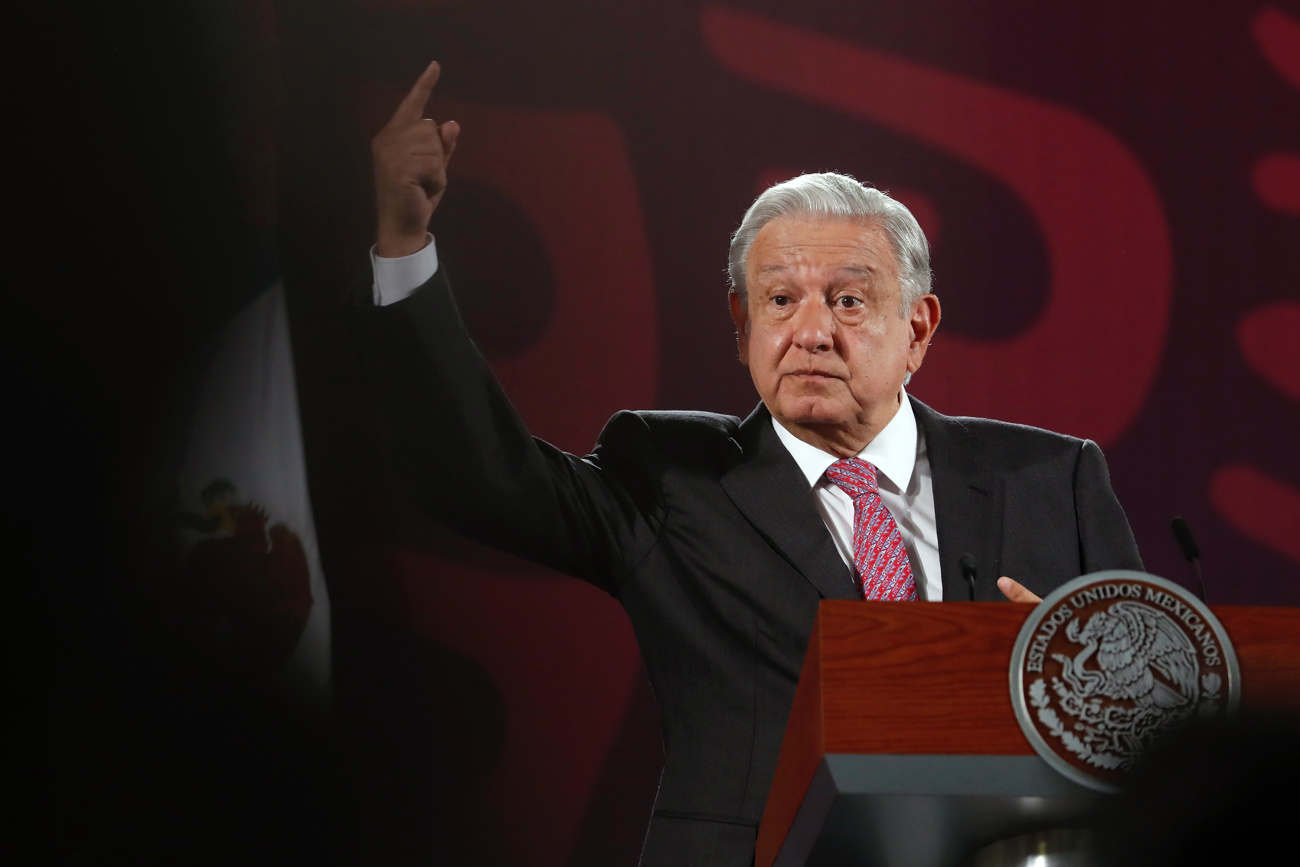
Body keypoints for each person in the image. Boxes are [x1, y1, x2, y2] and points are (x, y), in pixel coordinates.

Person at [354, 62, 1143, 865]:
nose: (811, 332)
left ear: (918, 327)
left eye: (847, 299)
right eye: (778, 300)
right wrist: (404, 247)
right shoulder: (670, 480)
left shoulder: (1052, 480)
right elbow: (478, 474)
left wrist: (1076, 688)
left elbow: (1166, 718)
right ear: (741, 326)